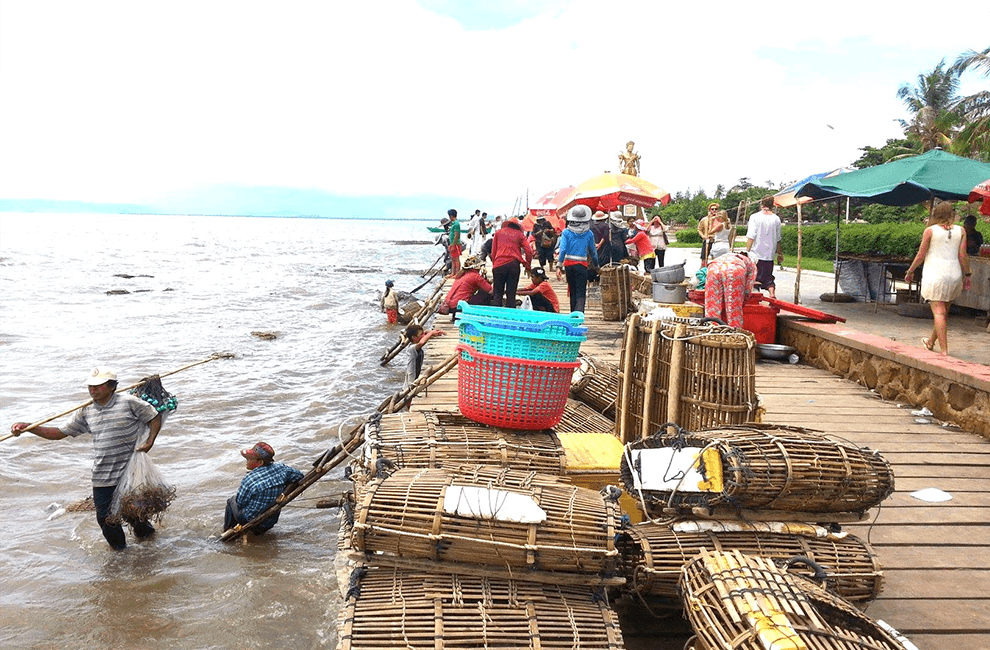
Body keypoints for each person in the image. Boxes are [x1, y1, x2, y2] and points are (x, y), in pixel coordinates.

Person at [10, 366, 163, 550]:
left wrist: (150, 441)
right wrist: (29, 427)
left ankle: (149, 546)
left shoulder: (130, 402)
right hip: (102, 475)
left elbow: (154, 416)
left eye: (98, 386)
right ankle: (121, 554)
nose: (93, 390)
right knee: (105, 519)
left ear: (112, 386)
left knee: (135, 514)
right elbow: (59, 433)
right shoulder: (85, 411)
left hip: (130, 472)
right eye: (90, 386)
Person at [904, 202, 973, 355]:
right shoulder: (961, 231)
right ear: (952, 214)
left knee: (939, 313)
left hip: (935, 274)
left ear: (936, 214)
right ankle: (930, 342)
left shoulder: (930, 231)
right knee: (943, 313)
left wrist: (910, 270)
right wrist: (967, 274)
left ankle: (944, 351)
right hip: (954, 275)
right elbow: (962, 255)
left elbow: (921, 254)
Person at [223, 442, 304, 535]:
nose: (247, 461)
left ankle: (226, 531)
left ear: (260, 462)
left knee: (231, 501)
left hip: (252, 521)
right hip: (269, 522)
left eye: (250, 459)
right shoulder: (281, 468)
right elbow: (299, 476)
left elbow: (240, 503)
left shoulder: (250, 479)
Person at [556, 205, 599, 313]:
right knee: (581, 292)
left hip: (569, 265)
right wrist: (597, 266)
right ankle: (579, 315)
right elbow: (593, 252)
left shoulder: (566, 232)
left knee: (573, 291)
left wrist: (558, 266)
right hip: (582, 265)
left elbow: (563, 250)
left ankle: (572, 315)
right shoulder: (589, 233)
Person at [704, 251, 758, 328]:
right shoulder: (752, 264)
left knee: (712, 305)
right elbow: (748, 290)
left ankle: (711, 330)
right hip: (734, 270)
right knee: (733, 308)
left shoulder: (729, 255)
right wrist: (742, 301)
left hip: (713, 268)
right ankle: (734, 333)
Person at [490, 216, 534, 308]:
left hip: (498, 265)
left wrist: (495, 265)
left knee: (497, 294)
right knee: (511, 294)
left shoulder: (498, 233)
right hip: (513, 265)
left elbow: (493, 252)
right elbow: (528, 251)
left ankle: (495, 318)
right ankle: (510, 318)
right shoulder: (520, 234)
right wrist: (528, 265)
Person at [745, 196, 783, 298]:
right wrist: (780, 254)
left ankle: (756, 295)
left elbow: (751, 237)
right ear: (773, 204)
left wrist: (746, 251)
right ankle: (772, 293)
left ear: (761, 203)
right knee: (768, 277)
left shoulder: (755, 217)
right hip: (769, 254)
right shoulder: (776, 219)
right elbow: (778, 239)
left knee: (755, 277)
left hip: (756, 253)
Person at [447, 209, 463, 276]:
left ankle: (457, 273)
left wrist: (453, 245)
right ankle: (453, 273)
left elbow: (457, 235)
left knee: (456, 259)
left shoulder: (456, 224)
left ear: (451, 216)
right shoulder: (453, 223)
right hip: (452, 243)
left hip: (455, 244)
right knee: (453, 259)